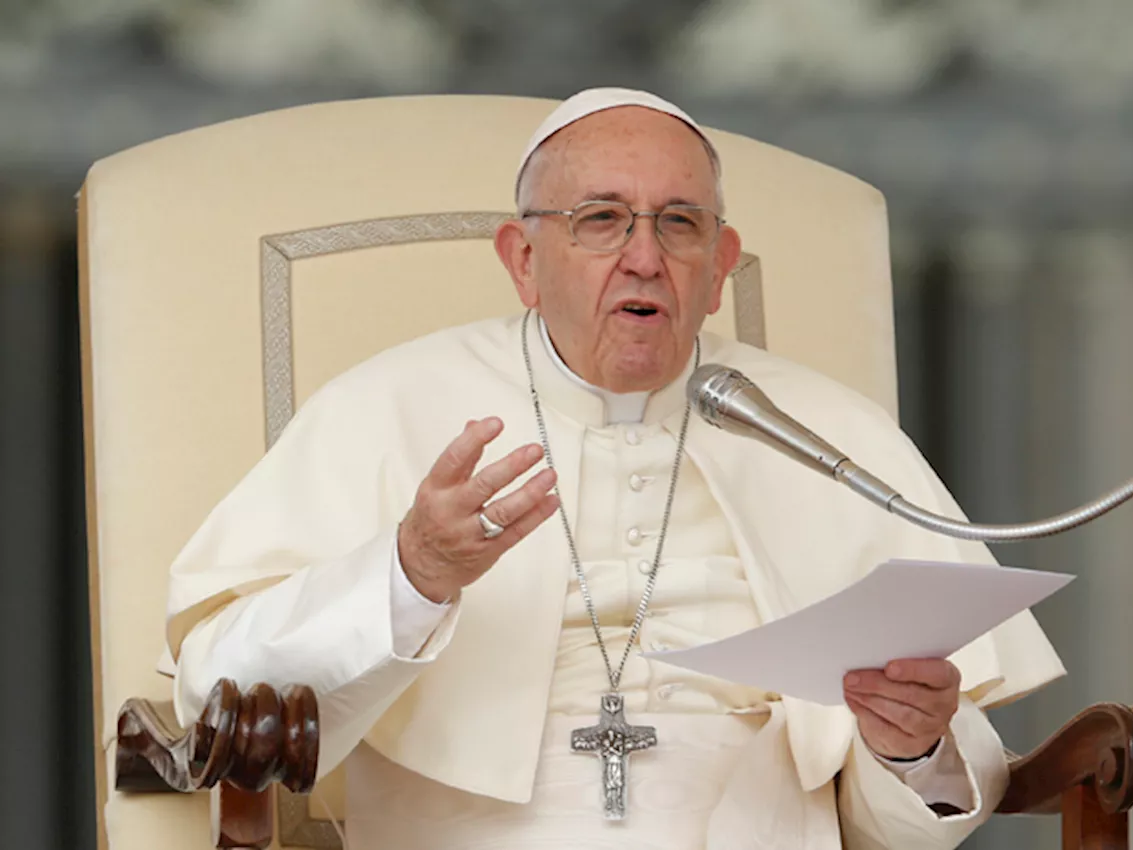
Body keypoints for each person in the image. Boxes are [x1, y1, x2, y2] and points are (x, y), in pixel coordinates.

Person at [165, 87, 1064, 849]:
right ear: (523, 261)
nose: (645, 256)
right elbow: (221, 694)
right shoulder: (387, 405)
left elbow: (918, 819)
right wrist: (413, 573)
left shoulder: (827, 429)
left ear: (718, 267)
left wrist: (907, 750)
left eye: (680, 224)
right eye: (600, 220)